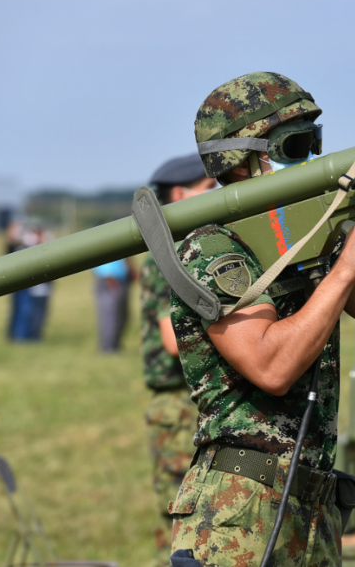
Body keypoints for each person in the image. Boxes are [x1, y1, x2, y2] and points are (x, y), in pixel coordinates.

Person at [167, 72, 355, 567]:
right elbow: (271, 365)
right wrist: (345, 268)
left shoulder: (308, 233)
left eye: (314, 141)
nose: (312, 158)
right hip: (240, 512)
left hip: (313, 505)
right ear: (244, 160)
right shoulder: (212, 247)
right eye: (295, 146)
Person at [140, 153, 216, 565]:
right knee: (180, 517)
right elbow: (174, 341)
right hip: (178, 402)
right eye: (209, 189)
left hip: (195, 400)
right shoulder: (165, 254)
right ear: (180, 195)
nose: (217, 195)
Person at [93, 255, 135, 352]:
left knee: (122, 315)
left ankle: (115, 346)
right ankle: (108, 348)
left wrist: (131, 269)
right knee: (110, 316)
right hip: (109, 279)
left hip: (123, 278)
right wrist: (107, 274)